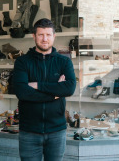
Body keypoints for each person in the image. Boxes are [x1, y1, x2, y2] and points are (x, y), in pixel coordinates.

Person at [13, 18, 76, 161]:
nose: (44, 39)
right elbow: (22, 92)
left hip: (57, 131)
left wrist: (38, 85)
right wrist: (55, 94)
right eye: (41, 35)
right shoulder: (22, 62)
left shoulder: (64, 62)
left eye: (48, 35)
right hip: (29, 131)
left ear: (54, 36)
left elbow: (69, 88)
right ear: (34, 36)